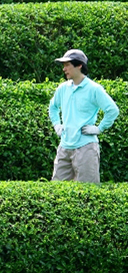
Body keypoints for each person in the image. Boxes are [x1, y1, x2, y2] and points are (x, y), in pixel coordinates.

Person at [49, 49, 119, 184]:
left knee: (87, 192)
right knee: (56, 190)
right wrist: (56, 124)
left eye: (67, 65)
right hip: (64, 147)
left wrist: (99, 128)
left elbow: (112, 110)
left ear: (79, 65)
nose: (64, 69)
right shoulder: (63, 88)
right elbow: (53, 107)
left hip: (86, 147)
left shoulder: (94, 89)